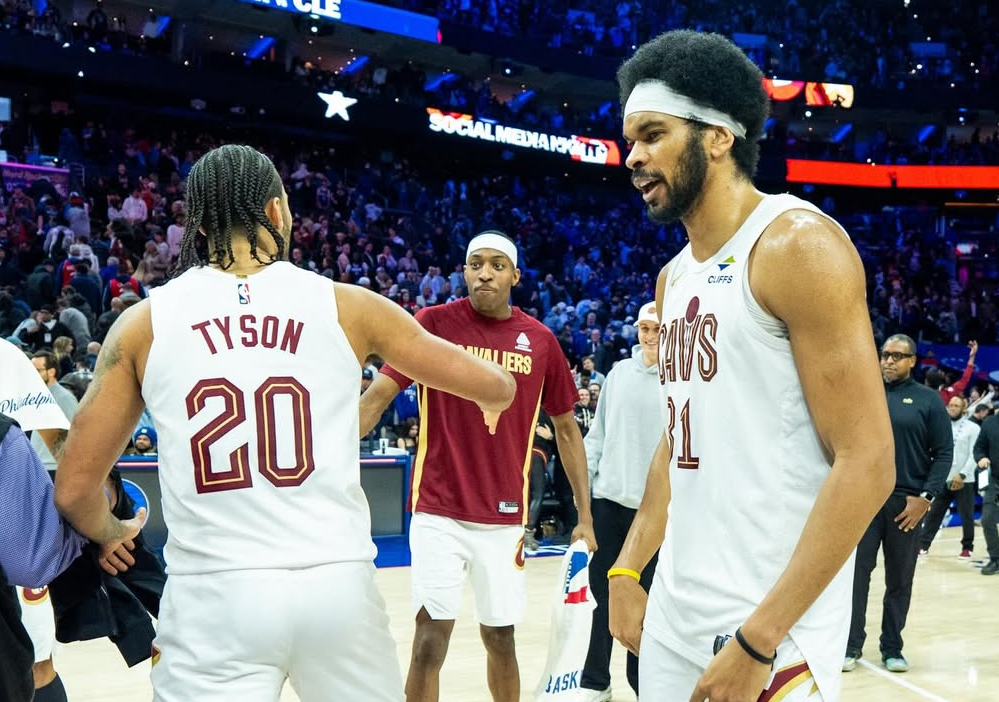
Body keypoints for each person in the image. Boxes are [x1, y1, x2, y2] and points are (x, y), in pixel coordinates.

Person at [52, 144, 516, 702]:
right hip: (336, 588)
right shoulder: (348, 305)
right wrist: (495, 392)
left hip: (213, 597)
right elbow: (495, 386)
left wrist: (110, 532)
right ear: (276, 212)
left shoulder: (142, 325)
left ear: (197, 227)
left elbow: (76, 489)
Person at [606, 30, 894, 702]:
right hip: (676, 612)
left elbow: (869, 461)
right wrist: (625, 571)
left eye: (652, 134)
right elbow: (678, 440)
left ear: (717, 137)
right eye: (630, 139)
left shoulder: (795, 246)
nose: (633, 156)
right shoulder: (671, 279)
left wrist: (758, 638)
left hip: (770, 627)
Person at [359, 230, 596, 702]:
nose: (484, 272)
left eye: (495, 264)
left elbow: (567, 431)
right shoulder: (429, 325)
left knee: (501, 638)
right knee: (430, 640)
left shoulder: (541, 341)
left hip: (504, 517)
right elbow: (381, 394)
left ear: (515, 275)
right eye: (474, 263)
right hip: (437, 510)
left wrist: (585, 518)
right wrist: (335, 442)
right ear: (463, 270)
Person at [846, 334, 952, 673]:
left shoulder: (928, 400)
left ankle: (892, 647)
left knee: (899, 580)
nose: (888, 361)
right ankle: (849, 646)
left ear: (912, 361)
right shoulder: (866, 395)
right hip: (864, 501)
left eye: (897, 356)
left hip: (906, 506)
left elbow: (944, 453)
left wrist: (926, 499)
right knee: (856, 578)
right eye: (884, 355)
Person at [575, 301, 662, 702]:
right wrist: (585, 508)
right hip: (610, 505)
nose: (649, 336)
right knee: (600, 596)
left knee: (647, 602)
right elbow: (597, 437)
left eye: (656, 329)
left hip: (655, 513)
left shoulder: (677, 382)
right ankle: (596, 681)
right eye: (644, 329)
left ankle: (644, 686)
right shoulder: (617, 375)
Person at [919, 395, 980, 560]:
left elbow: (974, 454)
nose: (952, 408)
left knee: (966, 515)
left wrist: (962, 475)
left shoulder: (973, 428)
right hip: (942, 478)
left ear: (963, 408)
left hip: (963, 480)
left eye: (956, 405)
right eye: (950, 405)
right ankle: (923, 545)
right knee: (934, 513)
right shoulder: (941, 426)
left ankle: (967, 547)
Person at [29, 350, 80, 472]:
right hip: (40, 466)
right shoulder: (37, 396)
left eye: (37, 371)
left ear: (51, 372)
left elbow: (77, 432)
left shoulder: (63, 397)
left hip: (54, 467)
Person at [974, 406, 999, 575]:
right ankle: (996, 558)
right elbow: (979, 447)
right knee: (988, 519)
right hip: (994, 481)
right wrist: (981, 457)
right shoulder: (989, 423)